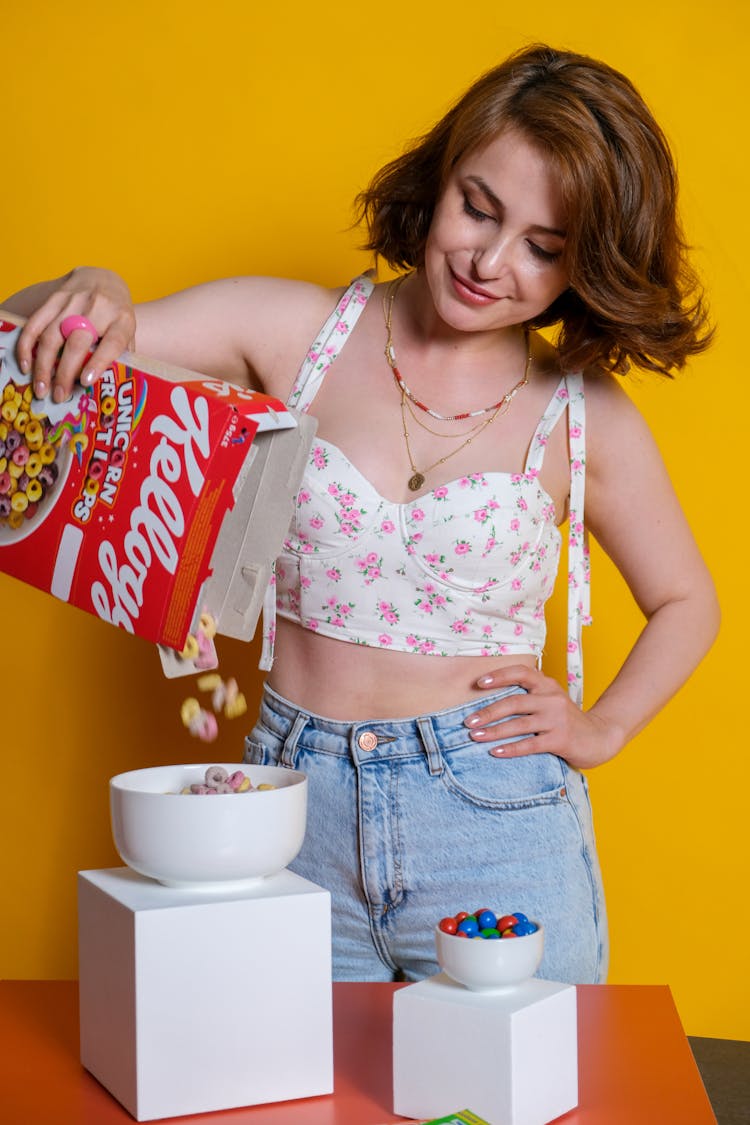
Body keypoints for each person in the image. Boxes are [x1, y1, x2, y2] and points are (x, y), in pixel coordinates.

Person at [3, 44, 719, 984]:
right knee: (278, 1093)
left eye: (544, 249)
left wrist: (602, 728)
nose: (490, 261)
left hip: (496, 821)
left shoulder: (584, 416)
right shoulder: (293, 332)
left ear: (584, 267)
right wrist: (91, 282)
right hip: (288, 813)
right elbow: (46, 343)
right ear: (442, 174)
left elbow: (686, 599)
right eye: (478, 207)